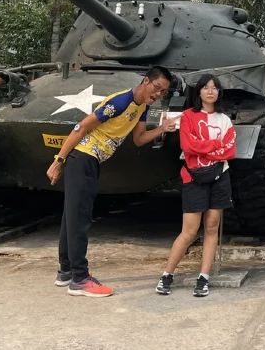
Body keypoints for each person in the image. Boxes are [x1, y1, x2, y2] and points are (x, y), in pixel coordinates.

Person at [47, 66, 176, 298]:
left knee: (72, 215)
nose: (158, 94)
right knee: (80, 218)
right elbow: (81, 127)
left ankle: (66, 270)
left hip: (91, 160)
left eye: (163, 92)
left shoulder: (142, 106)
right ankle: (80, 279)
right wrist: (58, 161)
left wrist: (162, 129)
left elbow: (139, 139)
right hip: (83, 157)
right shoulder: (121, 101)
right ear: (146, 81)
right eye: (157, 88)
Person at [156, 74, 236, 298]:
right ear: (199, 91)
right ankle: (167, 274)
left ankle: (203, 277)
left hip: (219, 176)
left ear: (219, 92)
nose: (210, 91)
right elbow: (188, 146)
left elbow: (230, 150)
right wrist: (214, 145)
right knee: (189, 231)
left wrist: (205, 148)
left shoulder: (224, 120)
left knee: (211, 227)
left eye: (214, 88)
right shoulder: (188, 116)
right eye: (206, 87)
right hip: (194, 177)